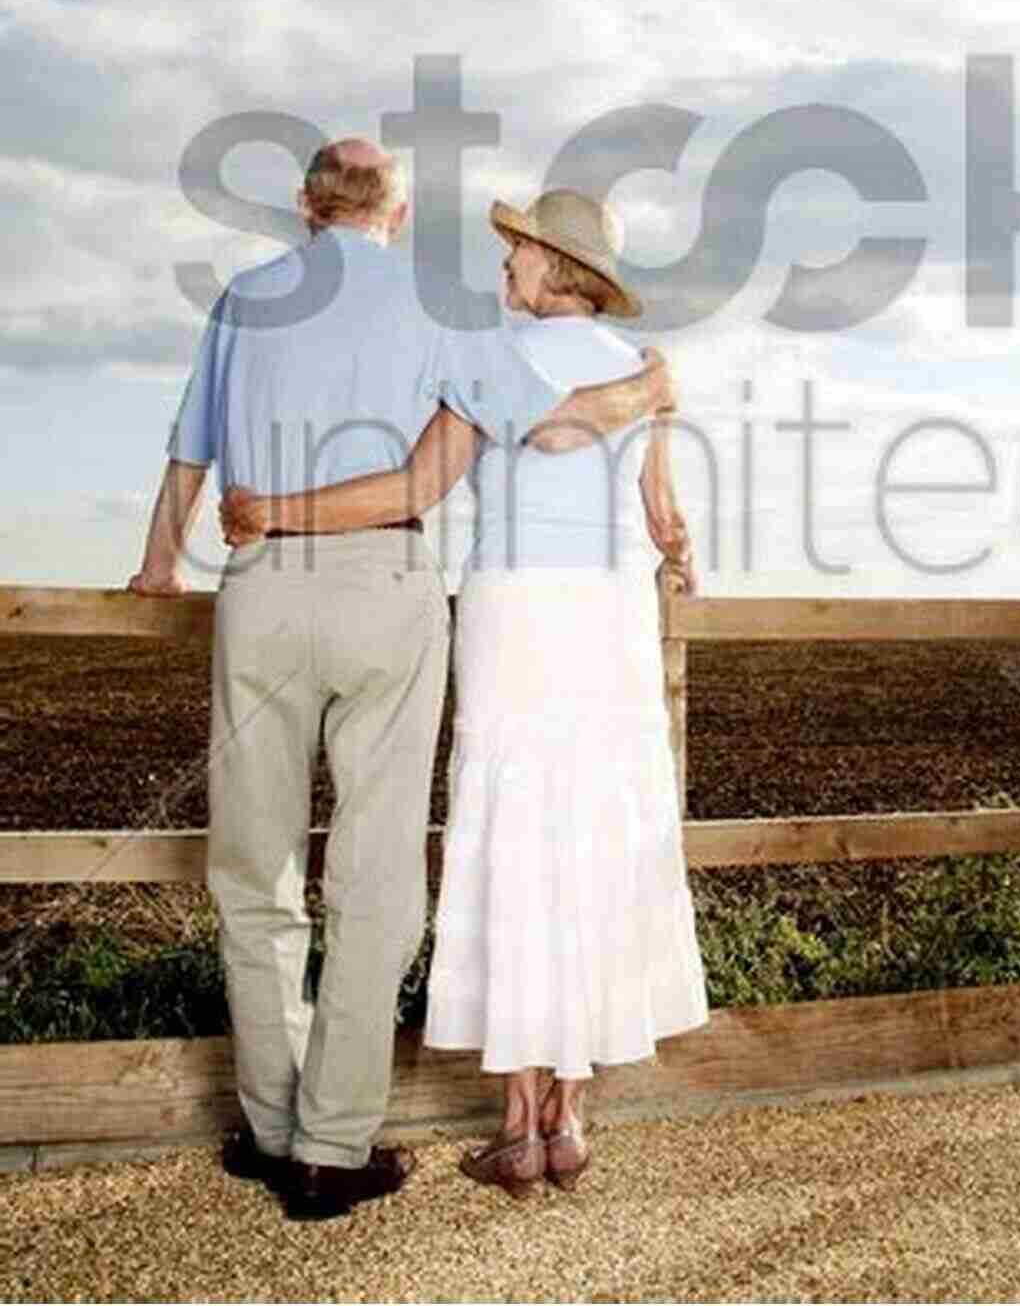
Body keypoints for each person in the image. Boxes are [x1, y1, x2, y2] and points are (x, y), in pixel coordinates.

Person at [129, 144, 673, 1222]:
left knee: (253, 865)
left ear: (305, 205)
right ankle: (334, 1147)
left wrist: (162, 559)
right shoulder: (438, 306)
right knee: (373, 874)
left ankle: (272, 1126)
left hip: (260, 588)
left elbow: (188, 446)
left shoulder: (242, 297)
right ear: (400, 210)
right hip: (386, 578)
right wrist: (651, 387)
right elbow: (549, 423)